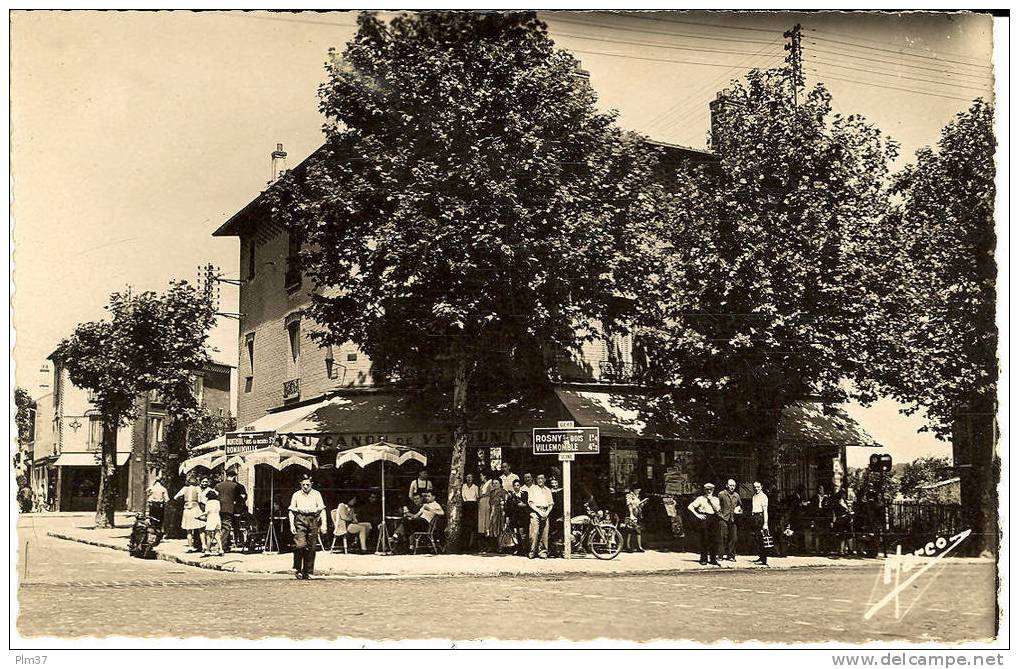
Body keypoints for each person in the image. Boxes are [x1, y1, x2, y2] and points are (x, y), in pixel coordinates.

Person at [288, 475, 327, 580]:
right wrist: (291, 524)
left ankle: (307, 572)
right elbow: (291, 511)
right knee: (300, 545)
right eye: (303, 484)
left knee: (311, 547)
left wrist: (324, 525)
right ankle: (297, 569)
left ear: (311, 484)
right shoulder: (296, 495)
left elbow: (322, 510)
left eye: (308, 484)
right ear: (300, 484)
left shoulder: (317, 494)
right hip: (300, 519)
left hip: (313, 520)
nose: (305, 487)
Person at [688, 482, 721, 566]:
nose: (709, 491)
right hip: (705, 518)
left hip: (714, 518)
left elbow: (718, 510)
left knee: (714, 540)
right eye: (707, 489)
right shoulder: (700, 499)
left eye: (711, 489)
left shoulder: (716, 499)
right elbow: (690, 507)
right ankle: (703, 559)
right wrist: (698, 515)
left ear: (713, 490)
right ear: (704, 490)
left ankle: (713, 559)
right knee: (704, 539)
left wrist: (711, 502)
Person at [214, 468, 247, 553]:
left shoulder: (218, 485)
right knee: (227, 527)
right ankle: (222, 546)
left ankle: (226, 545)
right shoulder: (235, 486)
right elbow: (240, 498)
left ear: (226, 475)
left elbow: (214, 496)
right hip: (230, 509)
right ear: (234, 476)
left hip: (218, 508)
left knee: (221, 527)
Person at [174, 475, 204, 553]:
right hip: (195, 508)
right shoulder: (197, 488)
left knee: (189, 530)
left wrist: (182, 499)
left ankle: (190, 546)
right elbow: (201, 499)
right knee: (200, 528)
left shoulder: (184, 488)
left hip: (187, 509)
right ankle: (204, 545)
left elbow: (175, 497)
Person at [527, 473, 554, 559]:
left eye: (542, 478)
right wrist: (539, 511)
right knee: (534, 533)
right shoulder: (533, 489)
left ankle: (542, 552)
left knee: (544, 533)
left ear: (545, 480)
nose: (540, 480)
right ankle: (532, 552)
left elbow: (551, 504)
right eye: (538, 478)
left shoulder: (548, 490)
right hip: (535, 511)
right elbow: (530, 502)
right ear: (536, 479)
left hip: (545, 511)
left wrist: (546, 513)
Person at [717, 478, 742, 561]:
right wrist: (720, 515)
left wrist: (739, 511)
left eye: (734, 486)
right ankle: (720, 555)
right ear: (726, 485)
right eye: (730, 485)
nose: (732, 487)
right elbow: (717, 506)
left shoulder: (737, 495)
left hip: (733, 519)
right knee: (723, 537)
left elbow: (740, 506)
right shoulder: (721, 494)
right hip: (723, 519)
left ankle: (731, 555)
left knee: (734, 538)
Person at [505, 479, 529, 554]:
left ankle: (525, 550)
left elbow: (528, 505)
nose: (516, 487)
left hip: (522, 517)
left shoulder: (525, 494)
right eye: (514, 485)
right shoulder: (511, 496)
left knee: (522, 534)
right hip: (514, 517)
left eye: (518, 485)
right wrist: (507, 518)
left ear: (520, 486)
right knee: (515, 534)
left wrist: (523, 505)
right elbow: (508, 508)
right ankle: (518, 549)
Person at [197, 488, 223, 557]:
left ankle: (207, 550)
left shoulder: (208, 503)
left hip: (211, 519)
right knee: (217, 536)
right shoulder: (218, 502)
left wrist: (199, 516)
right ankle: (221, 549)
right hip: (217, 518)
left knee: (208, 536)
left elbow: (207, 512)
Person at [622, 483, 648, 553]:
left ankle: (639, 546)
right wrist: (631, 514)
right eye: (638, 489)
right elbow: (629, 505)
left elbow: (638, 505)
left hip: (637, 514)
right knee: (629, 530)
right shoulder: (629, 495)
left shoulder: (637, 496)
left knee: (638, 530)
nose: (639, 490)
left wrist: (642, 504)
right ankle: (628, 546)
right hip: (631, 514)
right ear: (634, 489)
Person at [488, 475, 509, 551]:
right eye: (493, 483)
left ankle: (501, 546)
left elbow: (506, 503)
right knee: (492, 528)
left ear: (500, 484)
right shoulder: (492, 492)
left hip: (501, 512)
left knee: (500, 527)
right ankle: (493, 546)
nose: (494, 484)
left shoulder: (504, 492)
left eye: (496, 483)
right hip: (493, 512)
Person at [751, 481, 770, 566]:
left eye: (758, 487)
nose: (756, 488)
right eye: (755, 487)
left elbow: (765, 511)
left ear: (761, 486)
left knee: (762, 539)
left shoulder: (763, 496)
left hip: (760, 517)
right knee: (756, 538)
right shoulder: (754, 496)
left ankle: (764, 559)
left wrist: (765, 523)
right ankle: (760, 556)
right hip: (755, 517)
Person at [462, 473, 479, 551]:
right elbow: (462, 496)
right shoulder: (463, 486)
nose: (469, 479)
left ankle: (471, 545)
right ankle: (465, 544)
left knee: (472, 526)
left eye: (470, 477)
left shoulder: (475, 487)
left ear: (473, 478)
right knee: (465, 525)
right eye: (467, 477)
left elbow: (477, 497)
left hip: (473, 506)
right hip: (465, 505)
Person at [478, 470, 494, 542]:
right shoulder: (482, 485)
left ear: (485, 476)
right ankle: (482, 540)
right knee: (482, 521)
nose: (480, 477)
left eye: (481, 476)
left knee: (487, 519)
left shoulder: (490, 483)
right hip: (481, 503)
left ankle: (488, 539)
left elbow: (491, 493)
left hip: (487, 502)